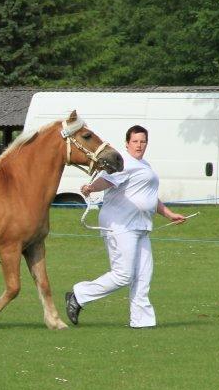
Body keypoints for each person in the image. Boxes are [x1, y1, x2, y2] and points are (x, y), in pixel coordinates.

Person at [65, 125, 186, 329]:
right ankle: (79, 295)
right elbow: (107, 180)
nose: (139, 145)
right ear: (127, 143)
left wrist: (168, 214)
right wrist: (92, 188)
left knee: (143, 276)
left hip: (141, 226)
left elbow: (149, 197)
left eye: (143, 141)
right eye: (135, 141)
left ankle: (142, 321)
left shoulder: (144, 165)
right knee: (123, 274)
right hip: (120, 224)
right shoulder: (123, 163)